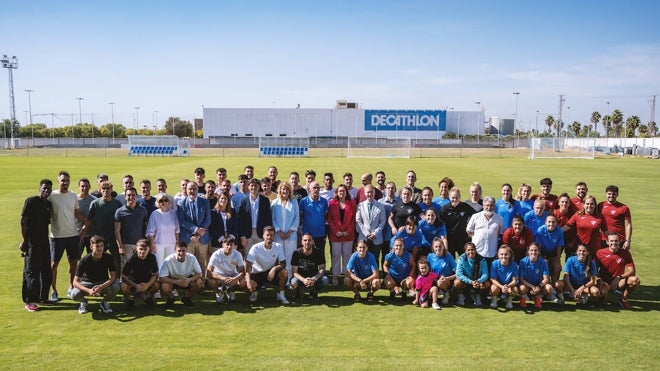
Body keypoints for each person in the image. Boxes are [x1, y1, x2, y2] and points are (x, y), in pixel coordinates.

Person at [48, 170, 85, 302]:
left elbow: (75, 213)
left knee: (73, 263)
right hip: (56, 237)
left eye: (67, 181)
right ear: (58, 182)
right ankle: (53, 290)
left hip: (72, 235)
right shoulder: (51, 196)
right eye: (62, 180)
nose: (65, 183)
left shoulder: (73, 196)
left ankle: (71, 286)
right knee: (53, 265)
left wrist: (87, 221)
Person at [21, 179, 53, 312]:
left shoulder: (48, 204)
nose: (46, 191)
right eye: (44, 188)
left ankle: (42, 297)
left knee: (46, 271)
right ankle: (30, 301)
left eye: (49, 189)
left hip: (45, 242)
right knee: (32, 272)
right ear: (39, 188)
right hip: (32, 243)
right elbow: (23, 221)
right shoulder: (31, 201)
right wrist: (24, 240)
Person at [81, 180, 123, 275]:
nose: (106, 191)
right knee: (96, 257)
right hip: (99, 237)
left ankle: (117, 279)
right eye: (103, 188)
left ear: (111, 189)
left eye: (108, 188)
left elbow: (121, 220)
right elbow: (89, 220)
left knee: (116, 258)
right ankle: (97, 277)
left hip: (113, 237)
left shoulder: (117, 203)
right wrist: (82, 233)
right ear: (100, 190)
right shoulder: (95, 203)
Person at [70, 235, 120, 314]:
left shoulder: (108, 257)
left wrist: (101, 287)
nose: (100, 248)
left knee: (116, 287)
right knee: (74, 294)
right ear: (91, 246)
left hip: (102, 282)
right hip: (87, 283)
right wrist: (89, 291)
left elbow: (113, 277)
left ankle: (104, 302)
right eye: (97, 246)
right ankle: (84, 302)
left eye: (102, 246)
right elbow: (75, 282)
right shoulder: (84, 260)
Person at [595, 232, 640, 309]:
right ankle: (603, 295)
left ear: (619, 242)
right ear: (607, 242)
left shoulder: (625, 253)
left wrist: (619, 277)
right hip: (604, 282)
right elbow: (594, 270)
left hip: (619, 282)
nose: (614, 243)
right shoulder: (600, 253)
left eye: (616, 241)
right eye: (611, 241)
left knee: (635, 280)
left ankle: (622, 298)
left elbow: (632, 271)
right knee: (601, 293)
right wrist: (600, 281)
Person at [245, 227, 289, 304]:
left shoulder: (278, 246)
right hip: (257, 274)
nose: (269, 237)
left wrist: (274, 268)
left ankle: (281, 295)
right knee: (252, 298)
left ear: (274, 236)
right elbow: (248, 266)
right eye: (267, 235)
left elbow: (283, 263)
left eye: (271, 235)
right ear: (263, 236)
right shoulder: (255, 247)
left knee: (284, 272)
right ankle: (254, 293)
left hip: (270, 273)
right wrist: (248, 281)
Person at [176, 181, 211, 275]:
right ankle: (189, 282)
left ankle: (201, 282)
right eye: (190, 189)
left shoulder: (205, 202)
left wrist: (198, 234)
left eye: (194, 189)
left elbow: (207, 220)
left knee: (201, 262)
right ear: (186, 190)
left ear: (197, 189)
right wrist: (195, 230)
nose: (192, 191)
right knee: (188, 262)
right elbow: (181, 221)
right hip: (188, 238)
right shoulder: (180, 203)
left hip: (202, 238)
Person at [159, 241, 204, 307]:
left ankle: (186, 298)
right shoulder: (168, 260)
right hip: (173, 279)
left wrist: (189, 280)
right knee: (164, 285)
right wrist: (177, 282)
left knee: (199, 282)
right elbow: (161, 278)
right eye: (179, 251)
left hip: (187, 279)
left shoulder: (192, 258)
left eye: (183, 251)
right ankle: (171, 298)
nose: (181, 253)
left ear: (187, 250)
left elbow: (199, 274)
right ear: (175, 250)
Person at [327, 184, 356, 285]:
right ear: (336, 192)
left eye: (343, 191)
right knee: (336, 255)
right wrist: (336, 231)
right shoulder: (332, 203)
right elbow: (329, 219)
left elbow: (354, 219)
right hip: (336, 235)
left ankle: (347, 276)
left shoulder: (352, 203)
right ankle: (335, 276)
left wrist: (348, 231)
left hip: (348, 234)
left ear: (346, 192)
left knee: (347, 256)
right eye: (340, 191)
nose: (341, 193)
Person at [114, 187, 148, 272]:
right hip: (126, 244)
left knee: (139, 268)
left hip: (139, 244)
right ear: (125, 197)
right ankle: (125, 285)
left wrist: (145, 243)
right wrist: (120, 246)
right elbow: (117, 230)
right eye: (128, 195)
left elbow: (145, 227)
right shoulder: (120, 211)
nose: (131, 197)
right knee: (126, 269)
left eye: (133, 195)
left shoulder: (142, 210)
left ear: (137, 196)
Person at [271, 182, 299, 281]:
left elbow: (296, 218)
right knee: (280, 258)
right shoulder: (274, 202)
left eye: (287, 189)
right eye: (283, 189)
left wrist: (289, 232)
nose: (285, 191)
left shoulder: (294, 202)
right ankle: (280, 279)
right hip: (278, 235)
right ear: (280, 191)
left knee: (290, 257)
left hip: (291, 235)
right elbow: (273, 218)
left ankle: (289, 279)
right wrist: (278, 231)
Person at [237, 178, 272, 255]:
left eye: (256, 186)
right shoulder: (243, 201)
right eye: (251, 186)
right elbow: (241, 220)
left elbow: (268, 218)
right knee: (249, 256)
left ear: (259, 187)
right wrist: (242, 236)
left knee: (261, 255)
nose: (254, 188)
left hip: (261, 232)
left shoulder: (265, 200)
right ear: (248, 187)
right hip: (247, 233)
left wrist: (267, 233)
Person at [356, 184, 387, 271]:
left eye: (371, 192)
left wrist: (375, 233)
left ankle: (375, 278)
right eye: (368, 192)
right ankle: (364, 276)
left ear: (374, 193)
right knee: (363, 257)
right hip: (363, 237)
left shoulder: (380, 205)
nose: (370, 194)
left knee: (375, 258)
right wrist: (366, 233)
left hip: (376, 238)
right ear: (365, 194)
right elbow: (358, 221)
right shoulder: (360, 205)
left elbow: (383, 221)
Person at [120, 238, 159, 309]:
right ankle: (129, 300)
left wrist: (148, 285)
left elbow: (155, 273)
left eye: (145, 249)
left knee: (157, 284)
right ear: (136, 248)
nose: (142, 251)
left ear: (149, 249)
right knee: (123, 285)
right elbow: (123, 275)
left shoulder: (152, 257)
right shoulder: (131, 259)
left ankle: (148, 297)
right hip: (134, 282)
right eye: (140, 249)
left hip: (147, 281)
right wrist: (135, 285)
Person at [518, 243, 559, 308]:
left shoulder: (543, 262)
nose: (533, 252)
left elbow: (546, 279)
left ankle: (538, 297)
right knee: (522, 288)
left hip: (539, 286)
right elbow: (521, 279)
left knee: (549, 288)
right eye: (531, 250)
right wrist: (532, 287)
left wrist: (538, 286)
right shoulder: (523, 262)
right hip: (527, 285)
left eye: (535, 250)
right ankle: (524, 297)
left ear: (539, 251)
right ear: (528, 251)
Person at [207, 235, 246, 304]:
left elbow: (243, 272)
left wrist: (235, 279)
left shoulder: (238, 254)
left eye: (231, 245)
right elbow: (209, 272)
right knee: (211, 281)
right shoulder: (216, 254)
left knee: (243, 282)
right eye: (227, 244)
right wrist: (222, 278)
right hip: (219, 277)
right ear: (223, 245)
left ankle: (230, 290)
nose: (229, 247)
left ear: (234, 245)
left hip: (232, 275)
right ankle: (219, 292)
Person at [290, 234, 329, 302]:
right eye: (305, 240)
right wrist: (303, 280)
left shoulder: (319, 252)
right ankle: (298, 292)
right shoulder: (296, 253)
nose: (307, 242)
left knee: (325, 280)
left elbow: (322, 269)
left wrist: (314, 278)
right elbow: (294, 272)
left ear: (313, 242)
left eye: (309, 240)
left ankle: (314, 292)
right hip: (300, 278)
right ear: (301, 242)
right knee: (293, 282)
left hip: (314, 277)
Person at [466, 196, 504, 265]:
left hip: (491, 252)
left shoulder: (499, 219)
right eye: (487, 205)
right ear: (483, 206)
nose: (489, 208)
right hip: (477, 251)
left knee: (489, 273)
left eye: (491, 205)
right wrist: (476, 238)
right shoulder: (475, 216)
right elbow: (469, 230)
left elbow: (500, 234)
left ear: (494, 206)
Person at [146, 193, 180, 269]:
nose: (164, 202)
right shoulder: (155, 214)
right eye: (161, 201)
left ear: (169, 202)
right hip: (158, 243)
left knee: (171, 263)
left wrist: (177, 242)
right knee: (159, 264)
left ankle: (170, 280)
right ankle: (159, 279)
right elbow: (151, 232)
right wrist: (152, 244)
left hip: (172, 242)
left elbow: (177, 230)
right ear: (158, 203)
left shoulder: (173, 213)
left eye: (166, 200)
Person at [440, 187, 476, 258]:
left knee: (465, 259)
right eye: (453, 198)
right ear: (449, 197)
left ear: (460, 197)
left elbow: (475, 216)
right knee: (450, 260)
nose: (455, 200)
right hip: (450, 239)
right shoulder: (445, 209)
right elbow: (439, 222)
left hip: (462, 239)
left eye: (457, 197)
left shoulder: (465, 207)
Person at [454, 242, 490, 306]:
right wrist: (470, 282)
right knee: (457, 282)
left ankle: (478, 296)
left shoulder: (482, 259)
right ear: (465, 251)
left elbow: (485, 274)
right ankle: (461, 297)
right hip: (466, 281)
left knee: (487, 283)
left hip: (477, 281)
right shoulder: (462, 259)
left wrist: (479, 281)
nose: (470, 252)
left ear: (475, 250)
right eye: (468, 250)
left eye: (472, 250)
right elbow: (458, 274)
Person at [598, 185, 632, 250]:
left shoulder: (624, 208)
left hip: (619, 240)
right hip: (604, 239)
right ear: (606, 194)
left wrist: (628, 241)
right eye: (609, 194)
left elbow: (628, 225)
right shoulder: (600, 205)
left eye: (613, 194)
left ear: (617, 195)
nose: (611, 196)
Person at [299, 181, 329, 253]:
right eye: (314, 188)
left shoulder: (324, 201)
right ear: (309, 189)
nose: (316, 189)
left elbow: (325, 216)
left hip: (320, 233)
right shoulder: (303, 201)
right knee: (307, 254)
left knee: (320, 254)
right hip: (307, 234)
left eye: (318, 188)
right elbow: (300, 216)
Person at [534, 214, 564, 284]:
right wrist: (541, 259)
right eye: (549, 222)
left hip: (553, 252)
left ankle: (553, 286)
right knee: (544, 266)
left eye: (553, 222)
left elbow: (559, 247)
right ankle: (544, 285)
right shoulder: (540, 230)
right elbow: (539, 246)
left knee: (557, 268)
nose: (551, 224)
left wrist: (558, 260)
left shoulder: (559, 231)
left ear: (556, 223)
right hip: (543, 252)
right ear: (545, 222)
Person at [426, 237, 456, 306]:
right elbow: (427, 271)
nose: (438, 248)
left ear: (443, 247)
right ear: (433, 248)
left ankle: (446, 294)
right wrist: (435, 279)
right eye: (436, 246)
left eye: (440, 246)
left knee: (440, 283)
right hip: (434, 280)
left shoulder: (448, 256)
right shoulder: (430, 256)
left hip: (446, 281)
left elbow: (457, 273)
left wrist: (447, 278)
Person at [489, 245, 520, 309]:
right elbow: (493, 279)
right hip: (498, 285)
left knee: (515, 290)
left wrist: (507, 287)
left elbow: (514, 280)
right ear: (498, 255)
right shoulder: (494, 264)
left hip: (508, 286)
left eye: (506, 254)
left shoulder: (514, 265)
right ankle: (494, 299)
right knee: (493, 289)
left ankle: (509, 300)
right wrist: (502, 287)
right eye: (501, 254)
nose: (504, 256)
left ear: (510, 255)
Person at [209, 191, 237, 255]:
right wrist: (222, 239)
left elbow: (236, 226)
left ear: (228, 200)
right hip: (217, 241)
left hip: (231, 241)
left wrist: (230, 237)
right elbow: (212, 228)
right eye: (221, 198)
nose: (223, 200)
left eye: (225, 198)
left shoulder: (233, 211)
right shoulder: (213, 212)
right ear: (218, 199)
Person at [76, 177, 96, 255]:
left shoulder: (94, 200)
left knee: (92, 258)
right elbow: (74, 214)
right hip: (77, 233)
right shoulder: (74, 199)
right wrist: (86, 220)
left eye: (87, 186)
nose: (85, 188)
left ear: (90, 187)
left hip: (91, 235)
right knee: (74, 259)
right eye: (82, 186)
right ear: (79, 187)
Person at [554, 193, 577, 258]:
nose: (564, 204)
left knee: (571, 262)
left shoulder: (574, 214)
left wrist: (573, 242)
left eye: (566, 202)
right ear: (558, 203)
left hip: (570, 242)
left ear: (569, 204)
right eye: (562, 202)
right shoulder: (554, 214)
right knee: (555, 260)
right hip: (557, 242)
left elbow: (577, 229)